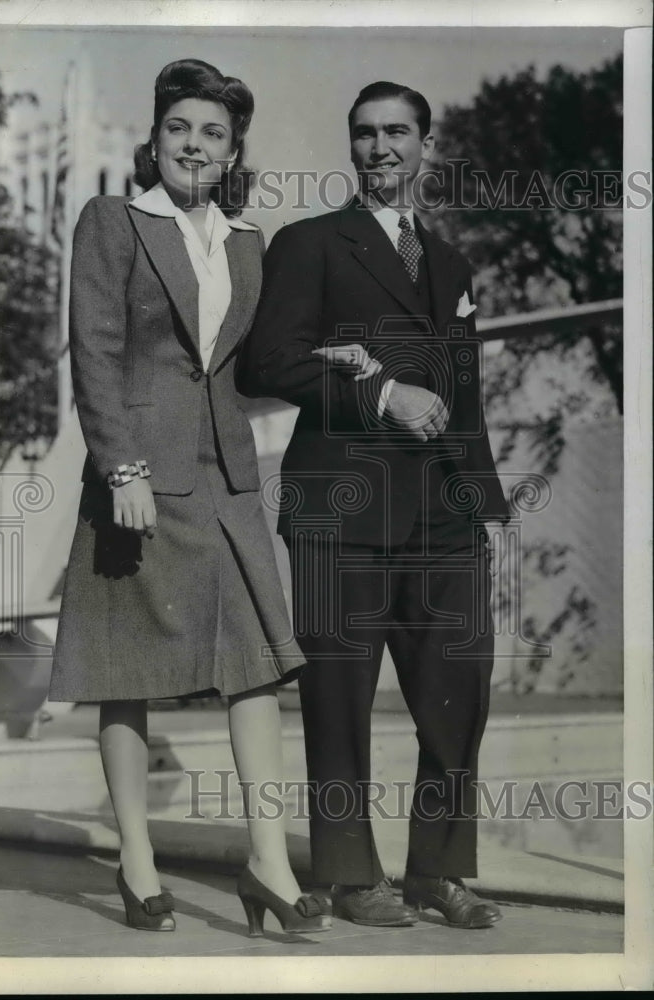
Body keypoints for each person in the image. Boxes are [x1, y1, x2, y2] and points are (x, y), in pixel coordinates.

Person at [48, 58, 330, 939]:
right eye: (180, 130)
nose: (195, 146)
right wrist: (121, 469)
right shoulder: (114, 220)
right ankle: (136, 863)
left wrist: (336, 363)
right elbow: (92, 349)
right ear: (157, 138)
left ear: (234, 147)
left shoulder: (245, 239)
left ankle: (269, 863)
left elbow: (244, 366)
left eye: (213, 133)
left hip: (227, 476)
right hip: (138, 477)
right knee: (125, 674)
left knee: (256, 666)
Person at [238, 81, 510, 930]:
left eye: (397, 132)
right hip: (341, 517)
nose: (380, 148)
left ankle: (437, 870)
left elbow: (464, 401)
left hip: (444, 519)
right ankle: (353, 876)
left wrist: (486, 507)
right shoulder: (311, 243)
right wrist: (382, 392)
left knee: (460, 695)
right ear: (350, 146)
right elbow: (265, 364)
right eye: (364, 134)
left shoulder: (452, 264)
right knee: (340, 702)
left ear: (425, 144)